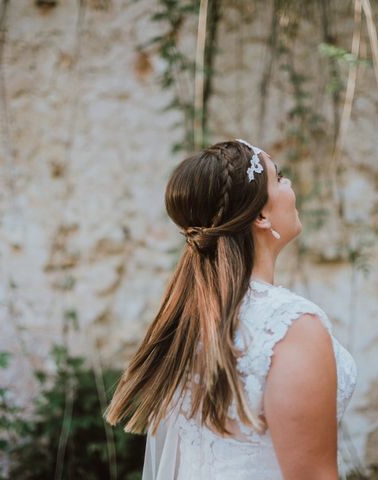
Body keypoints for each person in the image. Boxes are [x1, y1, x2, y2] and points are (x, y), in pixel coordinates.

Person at [104, 139, 358, 479]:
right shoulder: (291, 326)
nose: (290, 184)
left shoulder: (190, 323)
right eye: (279, 177)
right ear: (262, 215)